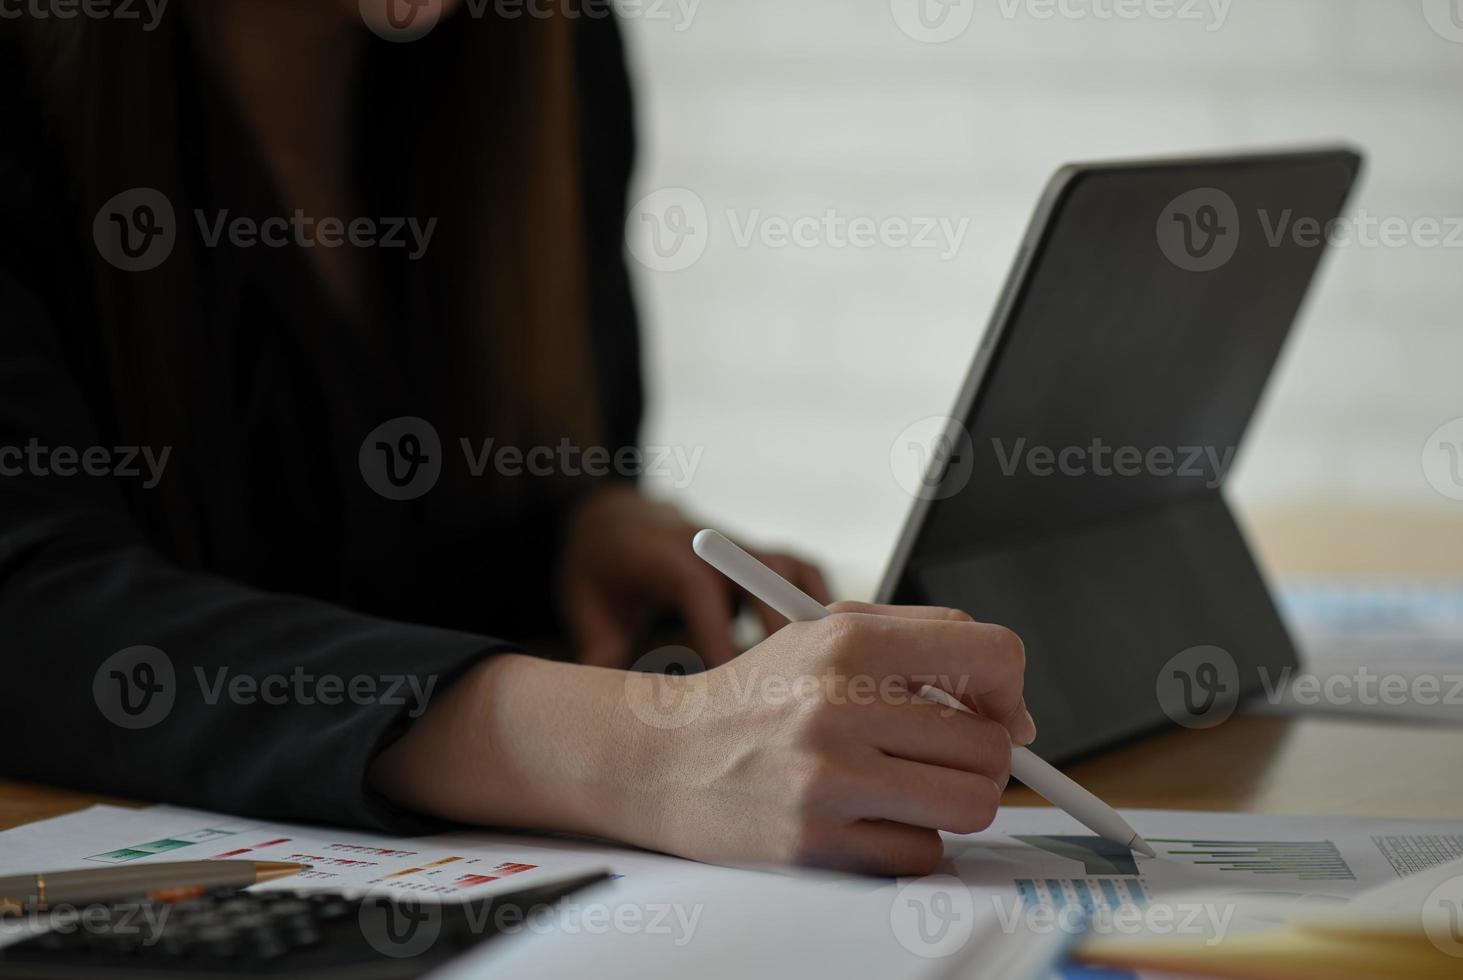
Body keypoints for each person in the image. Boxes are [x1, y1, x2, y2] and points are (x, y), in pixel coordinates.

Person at [0, 0, 1034, 876]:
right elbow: (33, 608)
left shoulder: (541, 49)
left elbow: (363, 536)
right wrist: (641, 751)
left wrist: (568, 524)